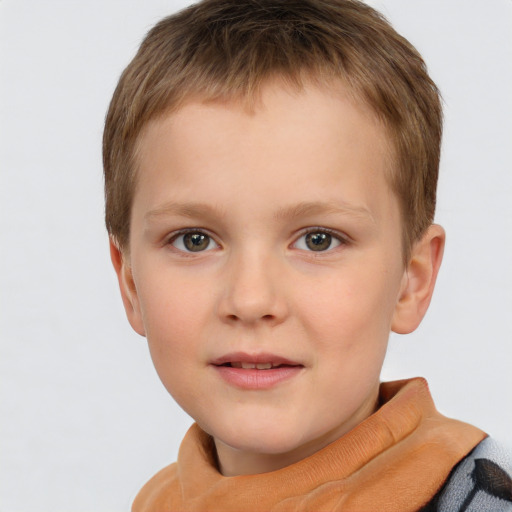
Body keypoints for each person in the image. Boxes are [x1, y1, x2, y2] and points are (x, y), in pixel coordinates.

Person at [102, 0, 512, 510]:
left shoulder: (480, 497)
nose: (251, 300)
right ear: (132, 284)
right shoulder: (158, 501)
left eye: (319, 239)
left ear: (412, 279)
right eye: (195, 240)